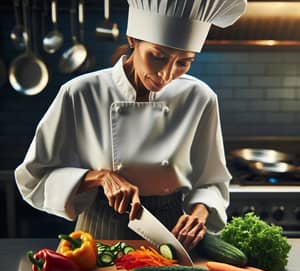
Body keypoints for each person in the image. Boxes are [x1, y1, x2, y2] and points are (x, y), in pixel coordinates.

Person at [15, 0, 246, 252]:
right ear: (133, 39)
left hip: (170, 237)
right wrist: (100, 177)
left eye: (184, 62)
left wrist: (200, 214)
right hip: (96, 235)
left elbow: (212, 181)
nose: (166, 75)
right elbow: (34, 177)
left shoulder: (200, 98)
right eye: (158, 57)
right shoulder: (80, 93)